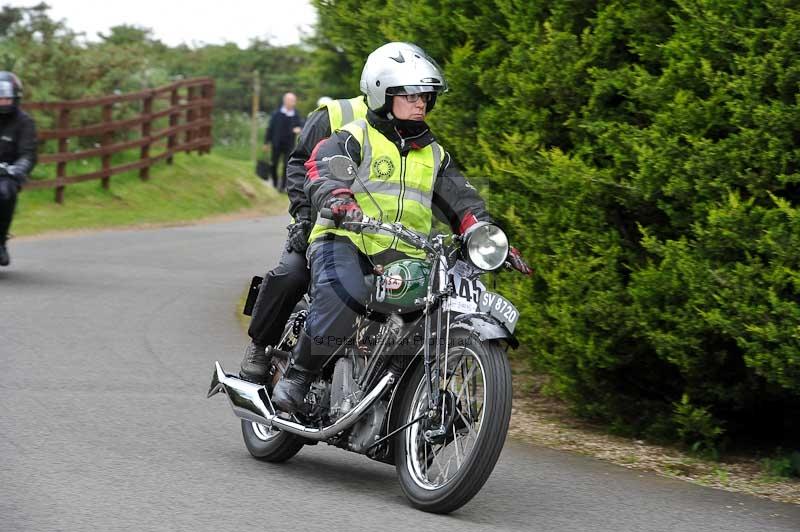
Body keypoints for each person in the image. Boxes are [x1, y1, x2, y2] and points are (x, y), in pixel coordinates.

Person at [269, 42, 532, 414]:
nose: (421, 102)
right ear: (382, 92)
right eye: (410, 94)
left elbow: (464, 202)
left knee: (433, 311)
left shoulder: (434, 154)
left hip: (405, 252)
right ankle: (299, 375)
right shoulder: (355, 135)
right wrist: (338, 199)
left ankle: (400, 399)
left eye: (426, 95)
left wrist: (485, 237)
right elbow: (323, 167)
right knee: (348, 292)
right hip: (345, 238)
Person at [239, 89, 369, 382]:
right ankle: (259, 346)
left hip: (374, 235)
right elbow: (299, 164)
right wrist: (303, 216)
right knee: (293, 274)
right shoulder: (336, 114)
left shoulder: (409, 130)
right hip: (320, 224)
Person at [0, 71, 36, 267]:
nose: (3, 102)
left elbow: (28, 153)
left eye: (6, 98)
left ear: (15, 97)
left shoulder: (24, 122)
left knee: (4, 192)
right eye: (0, 98)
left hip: (7, 174)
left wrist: (19, 168)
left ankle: (0, 241)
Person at [264, 92, 304, 192]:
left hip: (289, 144)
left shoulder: (296, 115)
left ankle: (282, 186)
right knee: (274, 164)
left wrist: (299, 129)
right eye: (291, 100)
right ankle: (274, 182)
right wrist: (266, 142)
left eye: (294, 101)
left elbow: (301, 125)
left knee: (287, 165)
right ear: (285, 101)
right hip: (276, 143)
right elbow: (270, 128)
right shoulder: (276, 114)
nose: (293, 103)